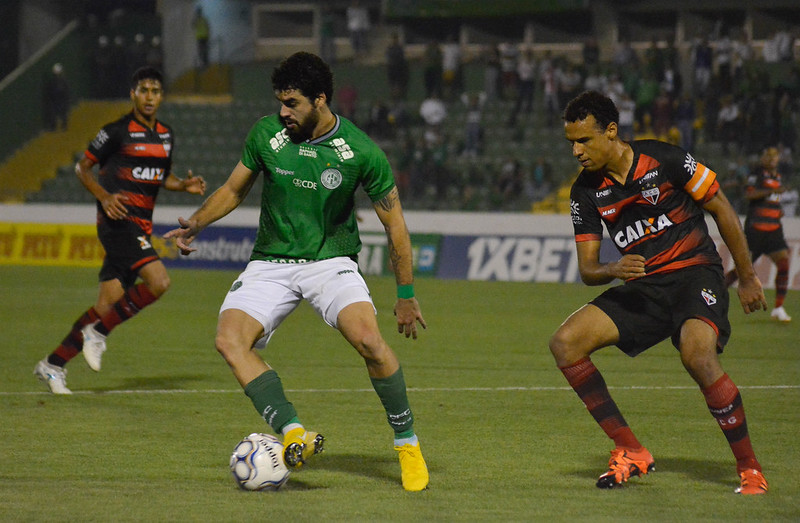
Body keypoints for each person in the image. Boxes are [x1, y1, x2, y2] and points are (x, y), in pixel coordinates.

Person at [163, 52, 429, 492]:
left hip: (331, 262)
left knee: (369, 341)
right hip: (271, 261)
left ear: (320, 100)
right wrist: (197, 221)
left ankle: (407, 443)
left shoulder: (361, 152)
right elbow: (233, 189)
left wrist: (405, 292)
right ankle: (292, 432)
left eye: (292, 103)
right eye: (280, 102)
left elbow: (395, 224)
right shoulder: (267, 134)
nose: (282, 112)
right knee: (229, 340)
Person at [550, 90, 769, 495]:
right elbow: (588, 269)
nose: (576, 152)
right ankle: (630, 449)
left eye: (584, 140)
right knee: (566, 343)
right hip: (644, 287)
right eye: (571, 144)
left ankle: (750, 468)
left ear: (611, 131)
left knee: (697, 355)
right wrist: (613, 269)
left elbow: (721, 207)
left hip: (694, 275)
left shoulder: (664, 159)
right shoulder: (585, 192)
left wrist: (748, 276)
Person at [34, 66, 207, 395]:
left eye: (156, 91)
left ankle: (52, 365)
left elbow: (161, 177)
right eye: (144, 90)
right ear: (133, 94)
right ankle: (98, 334)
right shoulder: (115, 131)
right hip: (117, 223)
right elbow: (81, 167)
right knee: (160, 282)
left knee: (105, 305)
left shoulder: (166, 135)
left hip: (140, 225)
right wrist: (103, 196)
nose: (150, 97)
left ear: (161, 96)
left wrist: (183, 186)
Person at [725, 146, 792, 322]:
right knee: (742, 270)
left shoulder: (777, 177)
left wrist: (777, 210)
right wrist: (770, 192)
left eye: (774, 156)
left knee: (784, 264)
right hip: (756, 230)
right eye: (768, 156)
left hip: (774, 230)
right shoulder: (757, 175)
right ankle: (715, 293)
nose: (771, 159)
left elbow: (772, 199)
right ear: (762, 159)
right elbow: (750, 195)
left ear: (778, 159)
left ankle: (778, 307)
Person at [43, 62, 70, 131]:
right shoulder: (59, 81)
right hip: (58, 99)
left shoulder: (57, 81)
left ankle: (59, 126)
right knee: (59, 112)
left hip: (58, 99)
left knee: (60, 112)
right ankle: (59, 126)